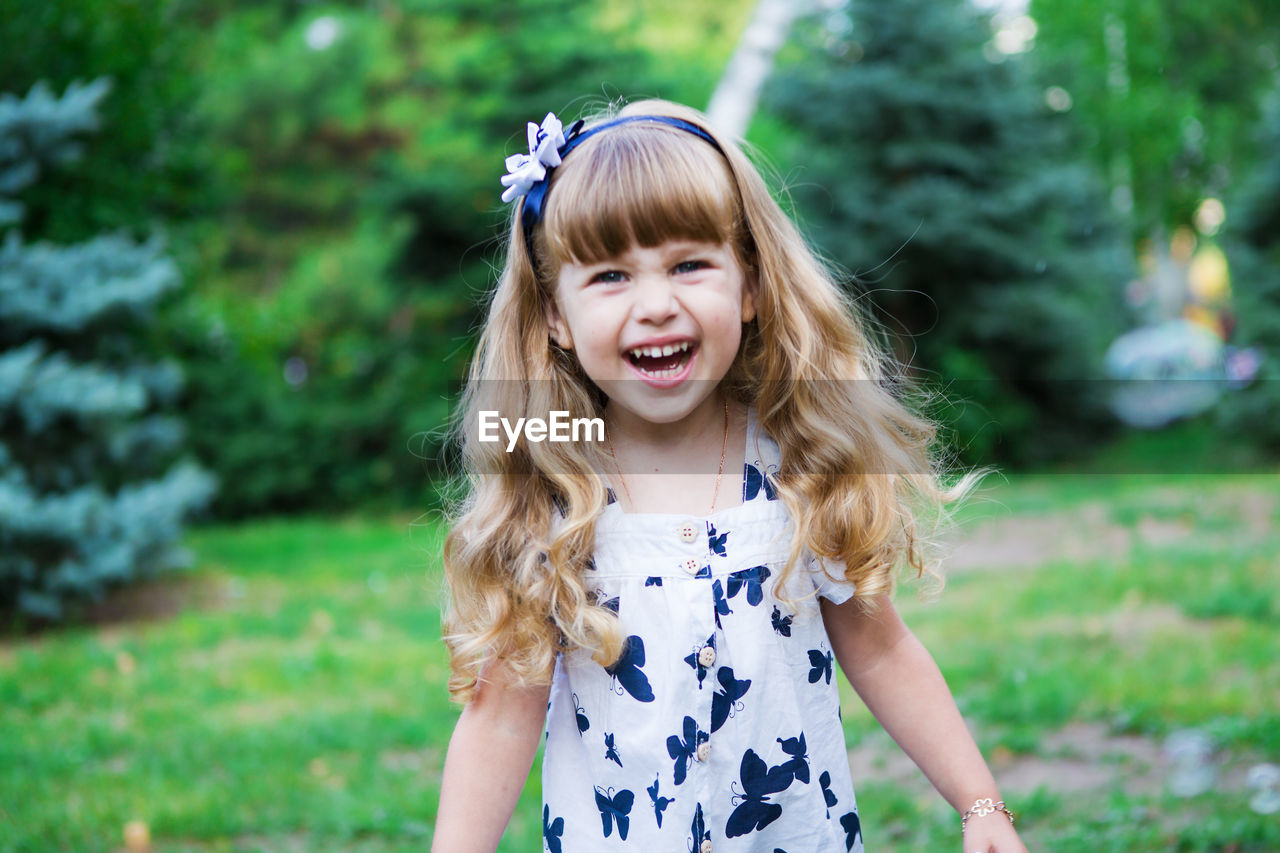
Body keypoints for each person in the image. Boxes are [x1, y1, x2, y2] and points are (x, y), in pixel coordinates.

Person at [433, 99, 1028, 853]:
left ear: (748, 285)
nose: (656, 304)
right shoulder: (557, 482)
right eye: (611, 276)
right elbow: (501, 710)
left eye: (689, 265)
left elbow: (879, 647)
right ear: (555, 316)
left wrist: (982, 807)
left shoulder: (800, 461)